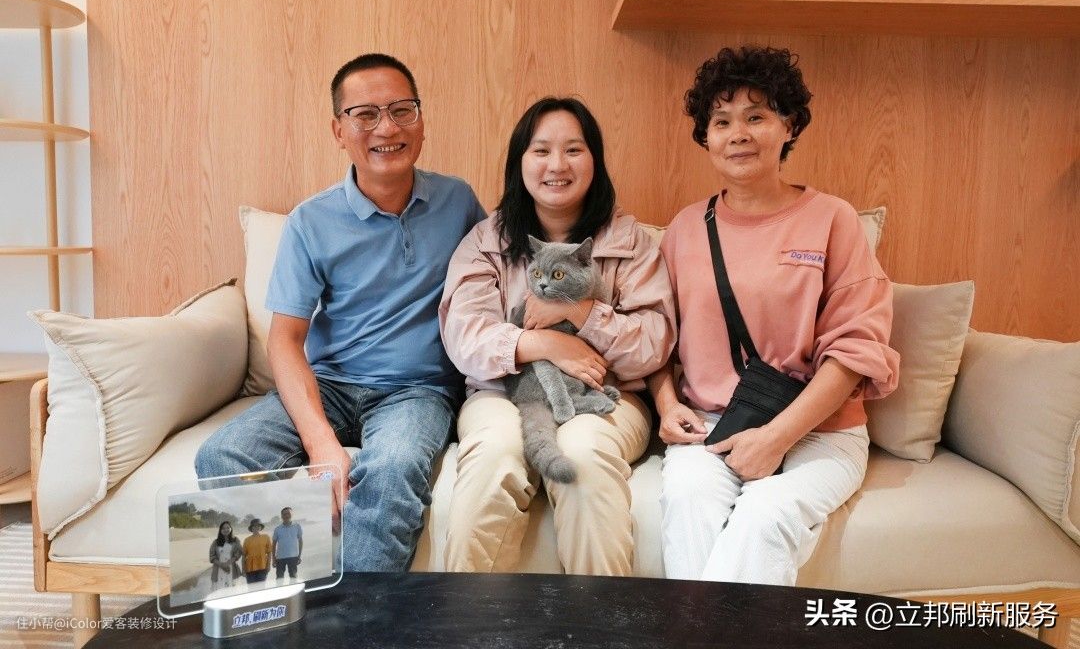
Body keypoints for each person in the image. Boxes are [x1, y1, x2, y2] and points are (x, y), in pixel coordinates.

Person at [195, 53, 488, 572]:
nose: (387, 128)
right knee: (221, 457)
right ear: (338, 130)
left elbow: (497, 276)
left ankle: (353, 615)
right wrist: (322, 445)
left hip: (416, 390)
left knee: (393, 468)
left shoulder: (457, 201)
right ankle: (271, 602)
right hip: (329, 385)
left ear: (421, 120)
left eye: (401, 110)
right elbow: (285, 340)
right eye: (365, 114)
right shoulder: (310, 221)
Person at [647, 45, 900, 585]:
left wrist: (777, 437)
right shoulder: (685, 229)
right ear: (706, 137)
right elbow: (654, 340)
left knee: (765, 517)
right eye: (721, 121)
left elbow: (855, 350)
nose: (737, 133)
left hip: (820, 432)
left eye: (756, 116)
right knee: (688, 500)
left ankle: (693, 629)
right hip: (712, 424)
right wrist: (668, 407)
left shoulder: (833, 219)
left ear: (789, 126)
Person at [439, 97, 677, 575]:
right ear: (519, 162)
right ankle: (468, 617)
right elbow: (465, 336)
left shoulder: (630, 243)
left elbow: (654, 345)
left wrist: (582, 312)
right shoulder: (487, 241)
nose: (557, 165)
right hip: (502, 394)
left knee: (583, 455)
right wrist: (547, 343)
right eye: (541, 150)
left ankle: (597, 617)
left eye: (573, 150)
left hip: (606, 394)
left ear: (595, 161)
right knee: (493, 457)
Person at [272, 507, 303, 581]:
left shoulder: (297, 526)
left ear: (292, 514)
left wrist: (299, 555)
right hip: (280, 558)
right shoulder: (277, 529)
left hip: (293, 557)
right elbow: (273, 545)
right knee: (279, 579)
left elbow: (300, 541)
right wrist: (273, 559)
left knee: (293, 578)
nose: (286, 515)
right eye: (284, 514)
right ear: (281, 516)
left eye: (288, 513)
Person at [209, 521, 242, 588]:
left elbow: (238, 553)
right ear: (220, 530)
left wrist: (227, 563)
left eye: (228, 527)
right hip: (218, 569)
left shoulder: (235, 540)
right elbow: (212, 557)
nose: (226, 530)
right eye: (223, 528)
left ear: (231, 529)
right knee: (219, 590)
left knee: (233, 590)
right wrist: (222, 565)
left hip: (232, 568)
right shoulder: (216, 542)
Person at [242, 518, 272, 584]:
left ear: (261, 527)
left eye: (258, 525)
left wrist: (268, 565)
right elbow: (243, 555)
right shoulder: (247, 540)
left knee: (261, 587)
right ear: (251, 528)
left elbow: (269, 552)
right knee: (251, 588)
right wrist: (243, 569)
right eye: (254, 526)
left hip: (262, 567)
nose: (257, 527)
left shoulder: (266, 537)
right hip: (250, 568)